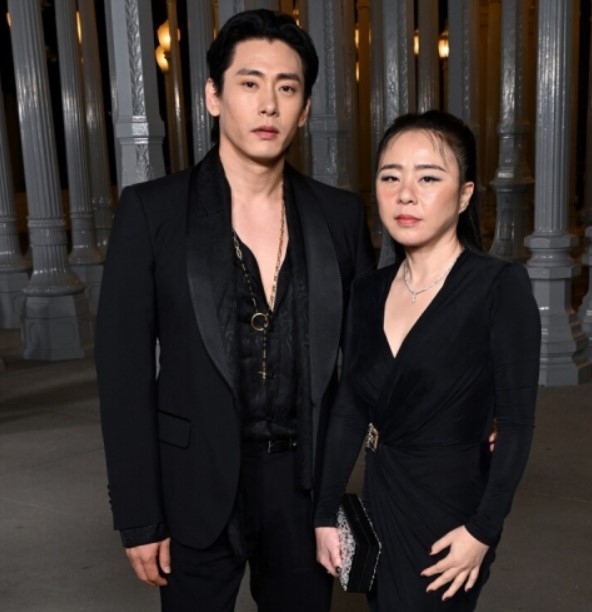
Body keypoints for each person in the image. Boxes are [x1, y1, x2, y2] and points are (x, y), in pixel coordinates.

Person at [95, 9, 374, 612]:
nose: (269, 105)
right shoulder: (151, 213)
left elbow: (372, 355)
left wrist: (468, 412)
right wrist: (139, 516)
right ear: (214, 96)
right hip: (193, 484)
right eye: (250, 83)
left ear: (304, 108)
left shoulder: (340, 217)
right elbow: (123, 376)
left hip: (303, 488)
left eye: (287, 88)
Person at [314, 110, 541, 611]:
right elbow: (350, 407)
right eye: (390, 177)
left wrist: (482, 532)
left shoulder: (498, 287)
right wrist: (324, 513)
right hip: (381, 499)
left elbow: (518, 423)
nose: (405, 195)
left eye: (429, 178)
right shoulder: (367, 291)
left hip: (451, 515)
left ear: (464, 195)